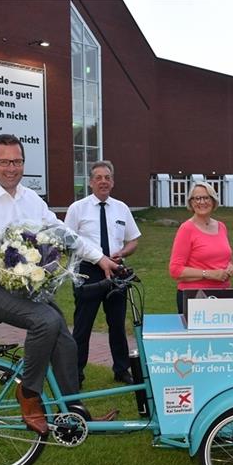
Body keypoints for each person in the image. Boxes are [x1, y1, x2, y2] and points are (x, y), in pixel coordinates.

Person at [0, 134, 119, 436]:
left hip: (27, 289)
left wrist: (100, 259)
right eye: (4, 161)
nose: (11, 168)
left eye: (17, 161)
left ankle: (74, 415)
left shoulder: (31, 199)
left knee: (65, 341)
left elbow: (62, 233)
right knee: (45, 322)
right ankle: (29, 395)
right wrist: (12, 271)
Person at [64, 161, 141, 386]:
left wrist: (123, 251)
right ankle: (75, 373)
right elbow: (67, 240)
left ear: (113, 181)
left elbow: (133, 240)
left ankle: (121, 369)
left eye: (107, 177)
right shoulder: (77, 209)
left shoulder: (122, 208)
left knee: (117, 323)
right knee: (83, 325)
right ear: (90, 182)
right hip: (88, 271)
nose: (103, 181)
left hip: (116, 270)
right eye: (98, 177)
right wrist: (95, 257)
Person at [169, 182, 233, 314]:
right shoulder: (186, 229)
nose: (202, 202)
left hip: (223, 294)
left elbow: (226, 258)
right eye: (197, 198)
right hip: (195, 296)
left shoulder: (221, 226)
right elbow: (175, 270)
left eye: (206, 197)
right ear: (191, 203)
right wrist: (209, 274)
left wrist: (230, 267)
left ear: (213, 200)